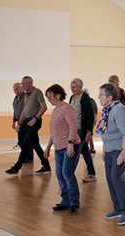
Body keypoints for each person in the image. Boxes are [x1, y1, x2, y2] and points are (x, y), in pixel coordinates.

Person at [97, 83, 125, 225]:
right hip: (110, 149)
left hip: (120, 148)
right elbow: (106, 131)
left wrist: (124, 151)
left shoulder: (118, 110)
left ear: (110, 97)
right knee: (109, 177)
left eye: (101, 94)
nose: (99, 97)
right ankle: (118, 208)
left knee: (116, 177)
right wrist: (104, 150)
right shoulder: (107, 110)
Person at [43, 84, 81, 214]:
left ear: (58, 96)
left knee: (67, 173)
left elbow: (73, 127)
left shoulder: (67, 108)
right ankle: (66, 201)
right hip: (58, 147)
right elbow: (54, 132)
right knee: (60, 174)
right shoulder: (55, 110)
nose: (49, 100)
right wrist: (48, 146)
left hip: (70, 146)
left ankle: (74, 202)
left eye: (50, 97)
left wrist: (70, 143)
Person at [5, 76, 51, 174]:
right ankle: (46, 166)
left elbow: (44, 107)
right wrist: (19, 123)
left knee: (25, 144)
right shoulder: (26, 95)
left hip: (35, 121)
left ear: (30, 83)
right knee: (35, 145)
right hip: (27, 121)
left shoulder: (37, 92)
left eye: (25, 83)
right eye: (22, 84)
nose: (23, 85)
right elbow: (24, 110)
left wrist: (36, 118)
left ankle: (17, 167)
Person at [68, 79, 97, 182]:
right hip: (74, 129)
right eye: (71, 87)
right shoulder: (72, 98)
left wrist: (89, 131)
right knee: (85, 151)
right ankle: (92, 173)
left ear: (80, 87)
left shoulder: (85, 98)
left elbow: (90, 116)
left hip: (81, 129)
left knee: (76, 151)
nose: (72, 89)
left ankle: (69, 173)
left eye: (74, 87)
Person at [12, 82, 33, 163]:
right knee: (21, 140)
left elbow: (26, 110)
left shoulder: (25, 97)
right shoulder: (15, 99)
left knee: (27, 140)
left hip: (26, 121)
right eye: (14, 89)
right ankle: (24, 156)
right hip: (19, 122)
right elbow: (15, 110)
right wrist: (14, 121)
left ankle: (29, 157)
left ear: (21, 88)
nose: (15, 91)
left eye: (17, 89)